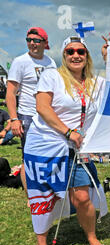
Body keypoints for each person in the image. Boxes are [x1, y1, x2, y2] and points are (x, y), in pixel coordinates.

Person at [24, 36, 108, 245]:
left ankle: (91, 236)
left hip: (76, 148)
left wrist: (109, 58)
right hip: (45, 146)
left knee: (82, 196)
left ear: (87, 55)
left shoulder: (95, 82)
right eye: (70, 51)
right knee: (43, 197)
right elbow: (42, 107)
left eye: (80, 51)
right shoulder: (52, 76)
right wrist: (67, 131)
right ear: (64, 55)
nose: (75, 55)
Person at [6, 27, 56, 204]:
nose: (32, 43)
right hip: (27, 115)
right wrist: (14, 119)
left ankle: (47, 190)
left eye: (36, 40)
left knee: (49, 155)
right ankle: (32, 197)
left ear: (45, 42)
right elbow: (11, 93)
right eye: (29, 40)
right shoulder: (20, 61)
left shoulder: (50, 62)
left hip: (47, 115)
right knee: (29, 157)